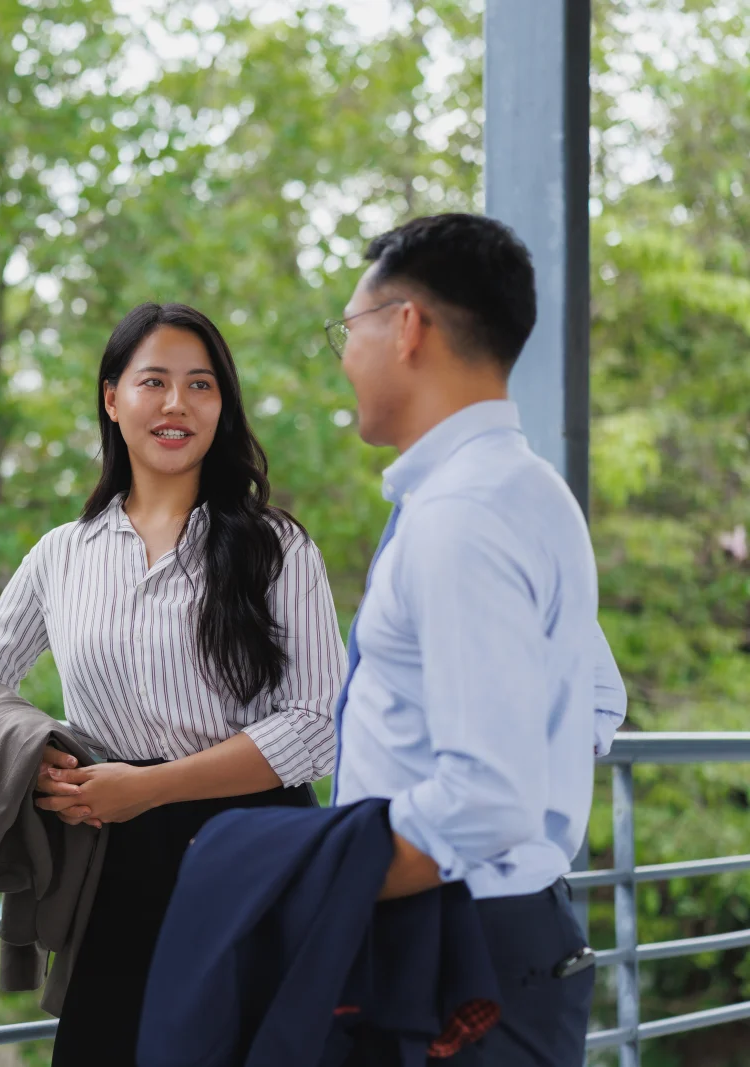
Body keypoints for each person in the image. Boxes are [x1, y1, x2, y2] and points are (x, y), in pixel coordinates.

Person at [0, 301, 347, 1065]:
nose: (177, 404)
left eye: (201, 385)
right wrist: (30, 751)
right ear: (112, 398)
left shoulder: (276, 548)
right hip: (112, 861)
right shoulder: (61, 554)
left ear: (222, 405)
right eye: (154, 382)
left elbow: (318, 724)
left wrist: (154, 786)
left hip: (253, 854)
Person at [328, 213, 628, 1065]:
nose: (345, 357)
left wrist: (321, 875)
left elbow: (489, 798)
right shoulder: (526, 490)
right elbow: (599, 693)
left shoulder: (460, 517)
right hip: (505, 925)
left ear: (408, 329)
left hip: (460, 946)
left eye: (348, 330)